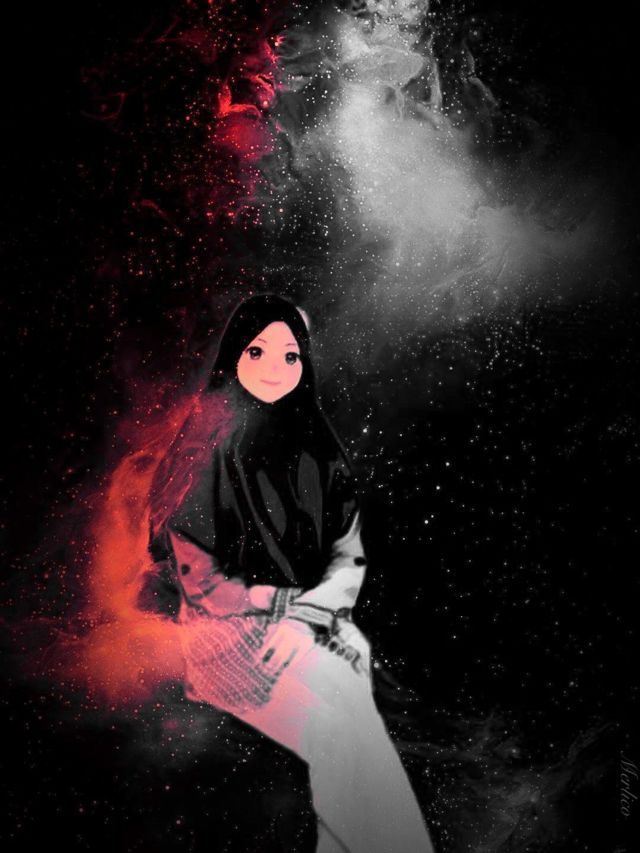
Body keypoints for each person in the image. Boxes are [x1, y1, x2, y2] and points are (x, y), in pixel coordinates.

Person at [137, 293, 436, 853]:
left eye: (290, 356)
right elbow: (201, 580)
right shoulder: (204, 444)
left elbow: (349, 555)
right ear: (234, 356)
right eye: (258, 351)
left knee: (351, 702)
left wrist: (312, 612)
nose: (275, 367)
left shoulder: (317, 447)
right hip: (224, 634)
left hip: (308, 620)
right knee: (335, 730)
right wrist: (280, 611)